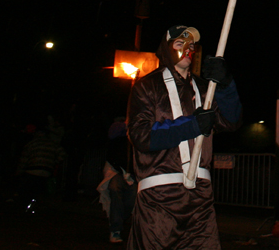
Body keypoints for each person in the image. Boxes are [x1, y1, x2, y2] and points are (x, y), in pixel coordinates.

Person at [126, 25, 242, 250]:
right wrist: (192, 125)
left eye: (191, 46)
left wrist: (226, 86)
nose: (187, 50)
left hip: (200, 199)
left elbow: (231, 122)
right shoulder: (147, 87)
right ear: (166, 49)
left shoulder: (203, 88)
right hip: (159, 199)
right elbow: (141, 136)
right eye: (180, 44)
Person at [97, 117, 137, 243]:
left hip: (132, 174)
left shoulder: (136, 137)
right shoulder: (118, 135)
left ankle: (119, 220)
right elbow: (112, 134)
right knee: (115, 190)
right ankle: (115, 229)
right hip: (116, 171)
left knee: (132, 198)